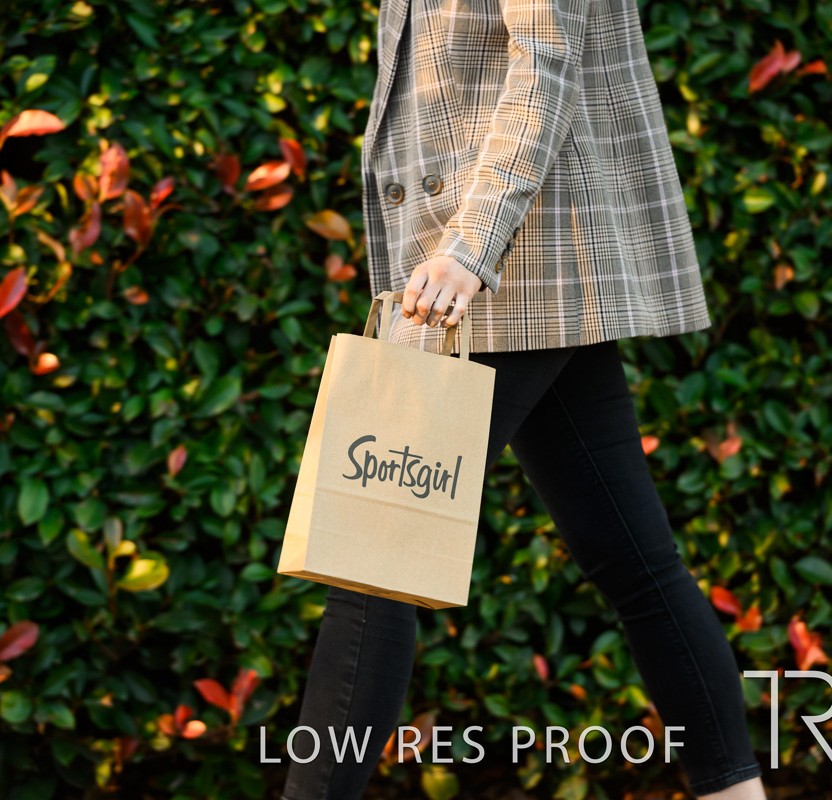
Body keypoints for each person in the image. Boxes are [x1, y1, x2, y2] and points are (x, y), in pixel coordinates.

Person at [282, 0, 768, 797]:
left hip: (494, 267)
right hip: (515, 264)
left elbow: (544, 64)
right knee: (634, 561)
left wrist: (470, 245)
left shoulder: (478, 253)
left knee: (368, 557)